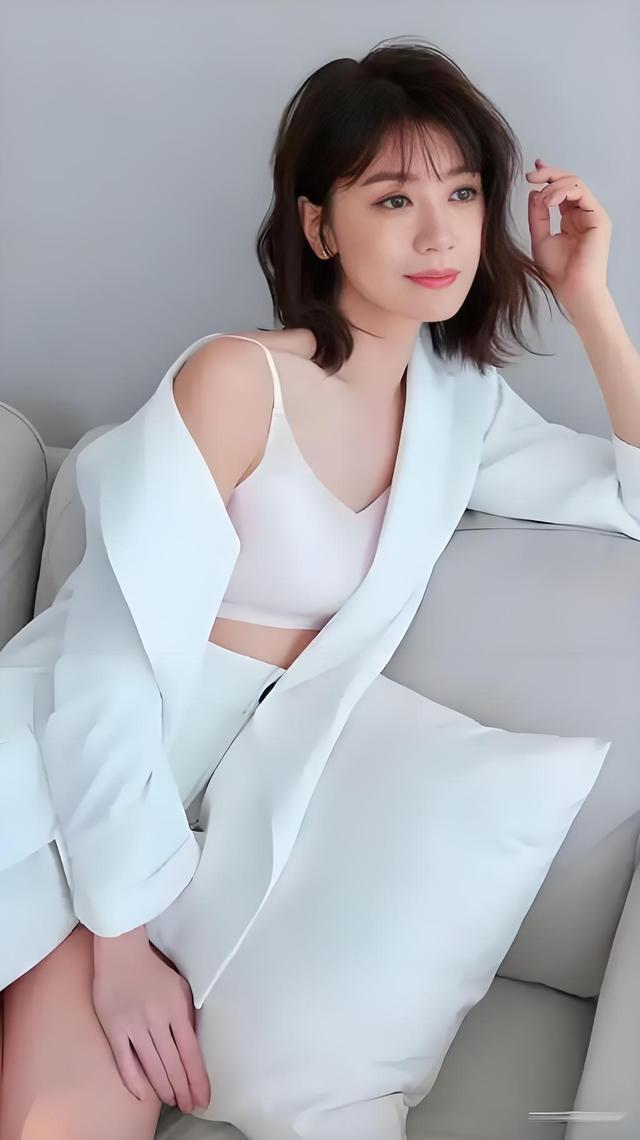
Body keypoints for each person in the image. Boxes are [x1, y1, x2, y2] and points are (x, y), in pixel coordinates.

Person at [2, 34, 637, 1140]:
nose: (439, 232)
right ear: (319, 226)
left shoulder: (458, 411)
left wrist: (589, 299)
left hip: (205, 820)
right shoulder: (235, 380)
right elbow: (105, 665)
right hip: (64, 782)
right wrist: (121, 939)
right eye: (393, 198)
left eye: (462, 192)